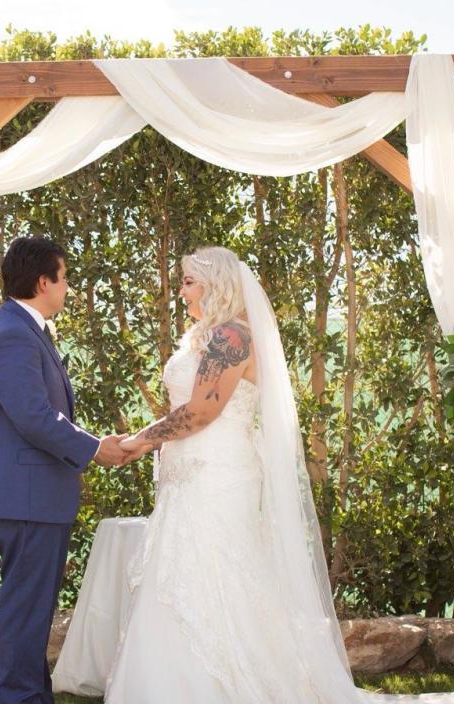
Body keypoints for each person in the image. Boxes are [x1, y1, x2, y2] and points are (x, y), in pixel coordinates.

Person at [108, 246, 364, 703]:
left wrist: (141, 440)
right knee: (178, 571)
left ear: (214, 284)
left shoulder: (232, 337)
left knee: (220, 569)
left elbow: (203, 411)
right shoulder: (205, 336)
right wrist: (150, 445)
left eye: (188, 280)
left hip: (218, 471)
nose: (182, 289)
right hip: (186, 472)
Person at [0, 236, 130, 704]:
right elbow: (33, 415)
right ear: (44, 281)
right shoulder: (13, 333)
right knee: (25, 607)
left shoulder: (21, 328)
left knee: (33, 606)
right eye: (64, 279)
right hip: (26, 496)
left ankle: (30, 695)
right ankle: (20, 697)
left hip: (33, 494)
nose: (67, 290)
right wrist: (93, 449)